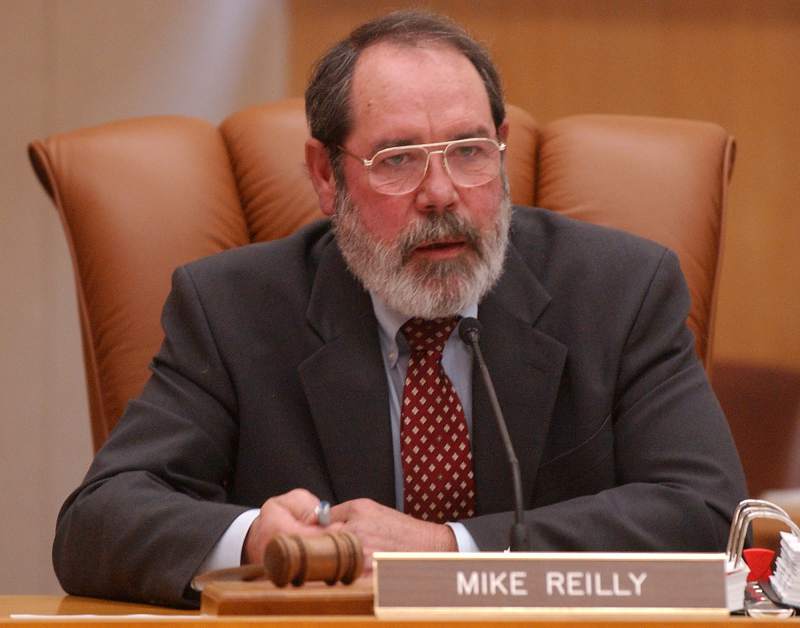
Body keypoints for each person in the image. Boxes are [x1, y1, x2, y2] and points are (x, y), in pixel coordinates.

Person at [52, 10, 747, 608]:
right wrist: (253, 537)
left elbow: (707, 513)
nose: (442, 193)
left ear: (501, 150)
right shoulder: (233, 310)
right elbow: (98, 522)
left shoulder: (620, 290)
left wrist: (451, 550)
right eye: (398, 159)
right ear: (327, 177)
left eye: (470, 151)